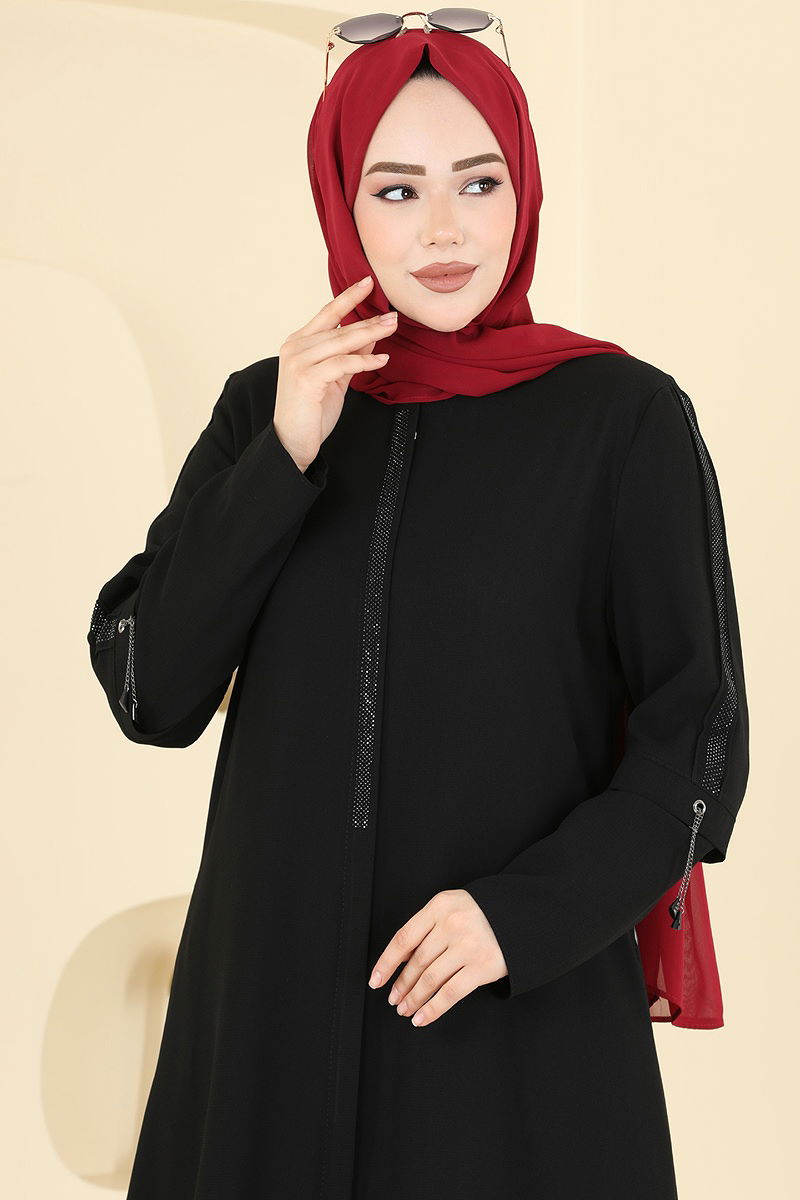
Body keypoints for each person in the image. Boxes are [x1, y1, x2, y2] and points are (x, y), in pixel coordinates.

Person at [87, 23, 749, 1200]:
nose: (442, 231)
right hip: (270, 1025)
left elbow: (695, 737)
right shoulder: (270, 408)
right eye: (395, 191)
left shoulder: (620, 420)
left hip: (509, 1030)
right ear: (342, 205)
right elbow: (151, 690)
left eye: (476, 184)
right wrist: (283, 456)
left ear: (522, 191)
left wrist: (521, 918)